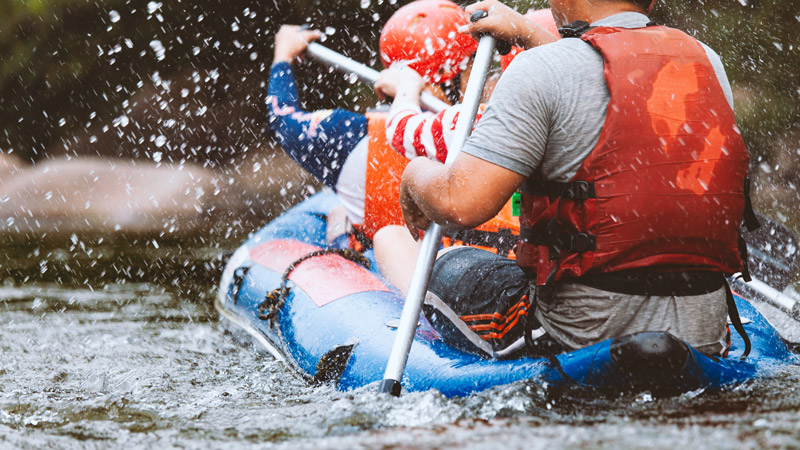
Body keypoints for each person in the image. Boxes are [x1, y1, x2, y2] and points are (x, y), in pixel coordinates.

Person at [391, 0, 754, 360]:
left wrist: (413, 176)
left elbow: (462, 203)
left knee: (449, 263)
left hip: (577, 329)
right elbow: (603, 80)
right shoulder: (705, 60)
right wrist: (525, 31)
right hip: (702, 326)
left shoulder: (540, 70)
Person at [267, 0, 479, 234]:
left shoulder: (348, 135)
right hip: (468, 260)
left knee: (339, 218)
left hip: (401, 260)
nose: (485, 76)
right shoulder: (490, 128)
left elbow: (283, 121)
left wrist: (282, 58)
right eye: (475, 64)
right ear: (444, 73)